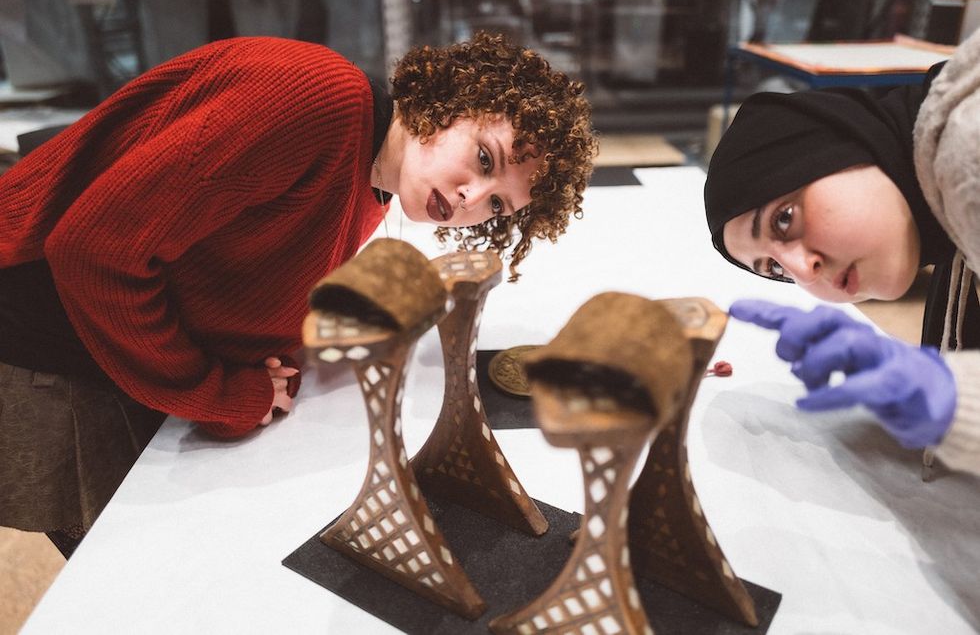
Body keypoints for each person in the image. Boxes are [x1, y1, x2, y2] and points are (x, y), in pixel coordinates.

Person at [0, 32, 598, 556]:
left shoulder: (375, 183)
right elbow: (94, 251)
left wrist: (260, 369)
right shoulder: (320, 102)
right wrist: (223, 394)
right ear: (450, 102)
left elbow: (236, 276)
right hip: (51, 352)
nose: (471, 199)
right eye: (484, 158)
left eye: (498, 204)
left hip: (112, 346)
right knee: (133, 584)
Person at [703, 28, 980, 476]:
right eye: (774, 268)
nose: (804, 271)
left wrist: (951, 397)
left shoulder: (969, 152)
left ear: (845, 143)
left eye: (784, 219)